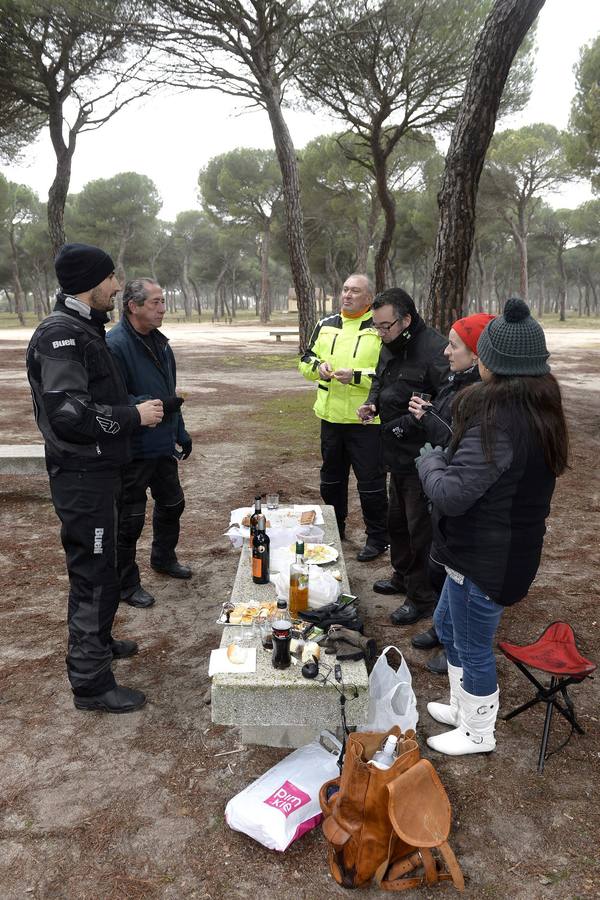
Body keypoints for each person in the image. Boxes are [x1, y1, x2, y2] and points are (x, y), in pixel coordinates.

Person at [416, 298, 569, 755]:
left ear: (494, 365)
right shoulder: (538, 408)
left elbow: (451, 493)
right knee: (448, 624)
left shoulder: (496, 420)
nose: (474, 362)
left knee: (474, 643)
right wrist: (445, 460)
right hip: (482, 549)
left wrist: (429, 462)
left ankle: (478, 731)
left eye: (480, 356)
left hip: (489, 556)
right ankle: (462, 707)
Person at [26, 243, 163, 713]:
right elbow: (67, 413)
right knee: (93, 574)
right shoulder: (61, 334)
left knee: (103, 571)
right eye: (111, 278)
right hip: (81, 476)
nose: (117, 285)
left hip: (100, 471)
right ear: (91, 281)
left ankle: (98, 646)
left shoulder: (83, 327)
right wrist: (131, 417)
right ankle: (90, 683)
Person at [385, 312, 495, 674]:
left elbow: (456, 440)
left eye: (454, 345)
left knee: (452, 567)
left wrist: (428, 420)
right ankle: (443, 629)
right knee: (449, 568)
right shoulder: (457, 381)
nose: (446, 352)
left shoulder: (479, 396)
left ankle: (455, 647)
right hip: (443, 485)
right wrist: (426, 412)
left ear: (478, 354)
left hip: (455, 494)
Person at [358, 288, 448, 624]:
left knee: (419, 529)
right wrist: (373, 404)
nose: (380, 334)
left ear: (406, 319)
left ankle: (422, 595)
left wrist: (402, 427)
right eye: (376, 327)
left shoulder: (435, 350)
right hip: (394, 455)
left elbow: (442, 407)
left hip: (422, 458)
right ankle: (401, 575)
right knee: (396, 523)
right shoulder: (389, 343)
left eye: (386, 327)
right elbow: (381, 382)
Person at [106, 278, 193, 609]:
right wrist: (154, 403)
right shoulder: (113, 346)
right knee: (129, 520)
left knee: (172, 503)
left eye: (163, 301)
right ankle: (127, 584)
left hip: (161, 444)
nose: (162, 308)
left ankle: (163, 557)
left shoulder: (161, 343)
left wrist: (179, 431)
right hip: (132, 448)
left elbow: (171, 395)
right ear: (133, 306)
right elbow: (113, 400)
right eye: (156, 302)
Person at [299, 273, 388, 561]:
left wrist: (357, 376)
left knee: (371, 484)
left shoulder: (379, 329)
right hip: (331, 419)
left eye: (355, 291)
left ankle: (377, 538)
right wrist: (318, 367)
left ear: (369, 299)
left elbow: (389, 374)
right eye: (345, 289)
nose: (347, 295)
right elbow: (305, 360)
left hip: (367, 422)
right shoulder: (325, 325)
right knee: (332, 481)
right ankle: (336, 529)